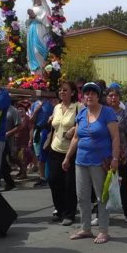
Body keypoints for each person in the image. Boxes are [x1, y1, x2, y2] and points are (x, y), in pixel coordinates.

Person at [62, 83, 119, 244]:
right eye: (86, 93)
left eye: (93, 93)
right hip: (81, 161)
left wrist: (115, 159)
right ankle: (86, 228)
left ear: (98, 95)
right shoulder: (81, 113)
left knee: (102, 196)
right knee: (82, 196)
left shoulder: (107, 112)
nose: (89, 96)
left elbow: (115, 137)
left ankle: (103, 230)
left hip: (100, 162)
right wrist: (67, 157)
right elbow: (76, 137)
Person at [47, 81, 79, 226]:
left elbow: (84, 123)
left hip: (71, 151)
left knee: (69, 184)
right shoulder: (57, 107)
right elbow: (55, 125)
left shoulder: (78, 107)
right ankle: (59, 209)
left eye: (65, 90)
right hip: (55, 148)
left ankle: (69, 213)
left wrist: (74, 128)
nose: (62, 92)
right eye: (60, 90)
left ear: (72, 92)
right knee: (53, 180)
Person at [106, 86, 127, 223]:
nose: (113, 98)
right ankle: (99, 214)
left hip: (122, 155)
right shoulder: (103, 113)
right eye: (111, 95)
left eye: (116, 95)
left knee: (124, 185)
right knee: (102, 184)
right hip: (104, 154)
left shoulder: (125, 115)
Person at [26, 0, 51, 74]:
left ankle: (42, 74)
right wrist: (29, 18)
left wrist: (35, 16)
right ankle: (34, 76)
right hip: (31, 31)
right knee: (31, 52)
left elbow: (47, 22)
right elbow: (27, 23)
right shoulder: (32, 8)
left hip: (40, 31)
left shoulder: (44, 7)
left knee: (38, 52)